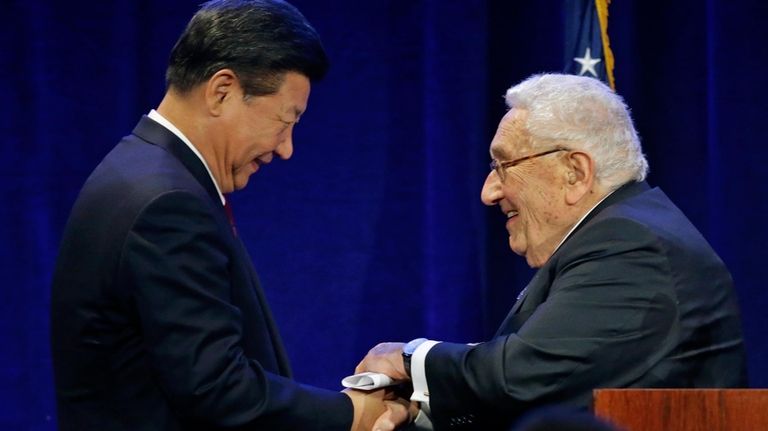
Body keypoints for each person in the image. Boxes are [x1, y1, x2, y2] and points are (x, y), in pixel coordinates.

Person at [50, 1, 389, 429]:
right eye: (286, 121)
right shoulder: (166, 202)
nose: (286, 148)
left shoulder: (139, 171)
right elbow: (215, 387)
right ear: (222, 90)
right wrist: (351, 415)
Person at [356, 73, 747, 430]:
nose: (489, 192)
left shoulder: (631, 245)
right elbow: (555, 372)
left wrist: (408, 358)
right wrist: (418, 402)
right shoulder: (619, 233)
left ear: (575, 172)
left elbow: (524, 374)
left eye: (504, 164)